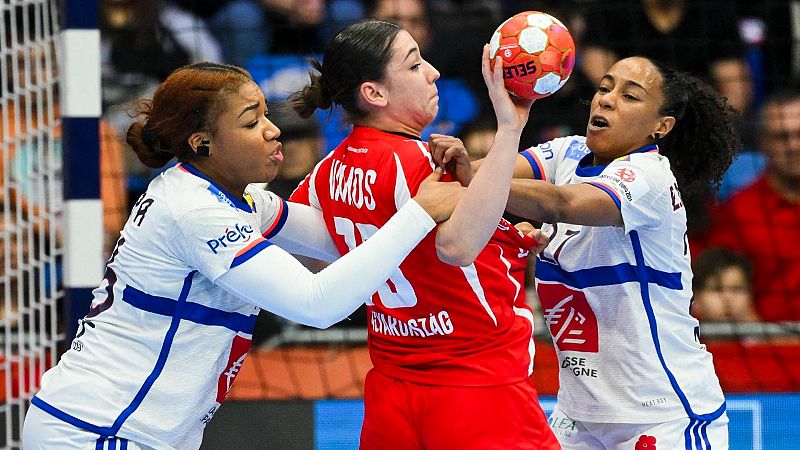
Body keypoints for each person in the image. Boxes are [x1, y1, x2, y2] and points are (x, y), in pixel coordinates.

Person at [21, 61, 464, 449]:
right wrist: (421, 211)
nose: (272, 130)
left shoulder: (238, 198)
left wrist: (463, 215)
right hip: (98, 430)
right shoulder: (196, 212)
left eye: (266, 116)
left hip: (128, 429)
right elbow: (318, 303)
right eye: (251, 123)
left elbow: (342, 240)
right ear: (202, 143)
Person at [438, 56, 739, 448]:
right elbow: (486, 174)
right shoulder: (566, 153)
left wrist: (470, 176)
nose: (607, 100)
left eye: (630, 96)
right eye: (604, 88)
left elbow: (562, 202)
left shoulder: (649, 176)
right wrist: (453, 165)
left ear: (660, 127)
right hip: (579, 415)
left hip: (663, 415)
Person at [289, 19, 558, 449]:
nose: (432, 72)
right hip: (477, 385)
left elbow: (313, 256)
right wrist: (510, 127)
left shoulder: (327, 171)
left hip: (390, 388)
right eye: (414, 66)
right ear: (374, 93)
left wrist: (510, 237)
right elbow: (458, 246)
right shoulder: (421, 164)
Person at [707, 89, 800, 322]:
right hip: (765, 350)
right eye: (782, 137)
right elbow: (716, 283)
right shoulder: (738, 211)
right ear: (763, 143)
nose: (793, 146)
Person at [692, 247, 758, 323]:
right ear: (695, 298)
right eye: (717, 289)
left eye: (737, 289)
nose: (728, 298)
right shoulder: (681, 333)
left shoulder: (766, 332)